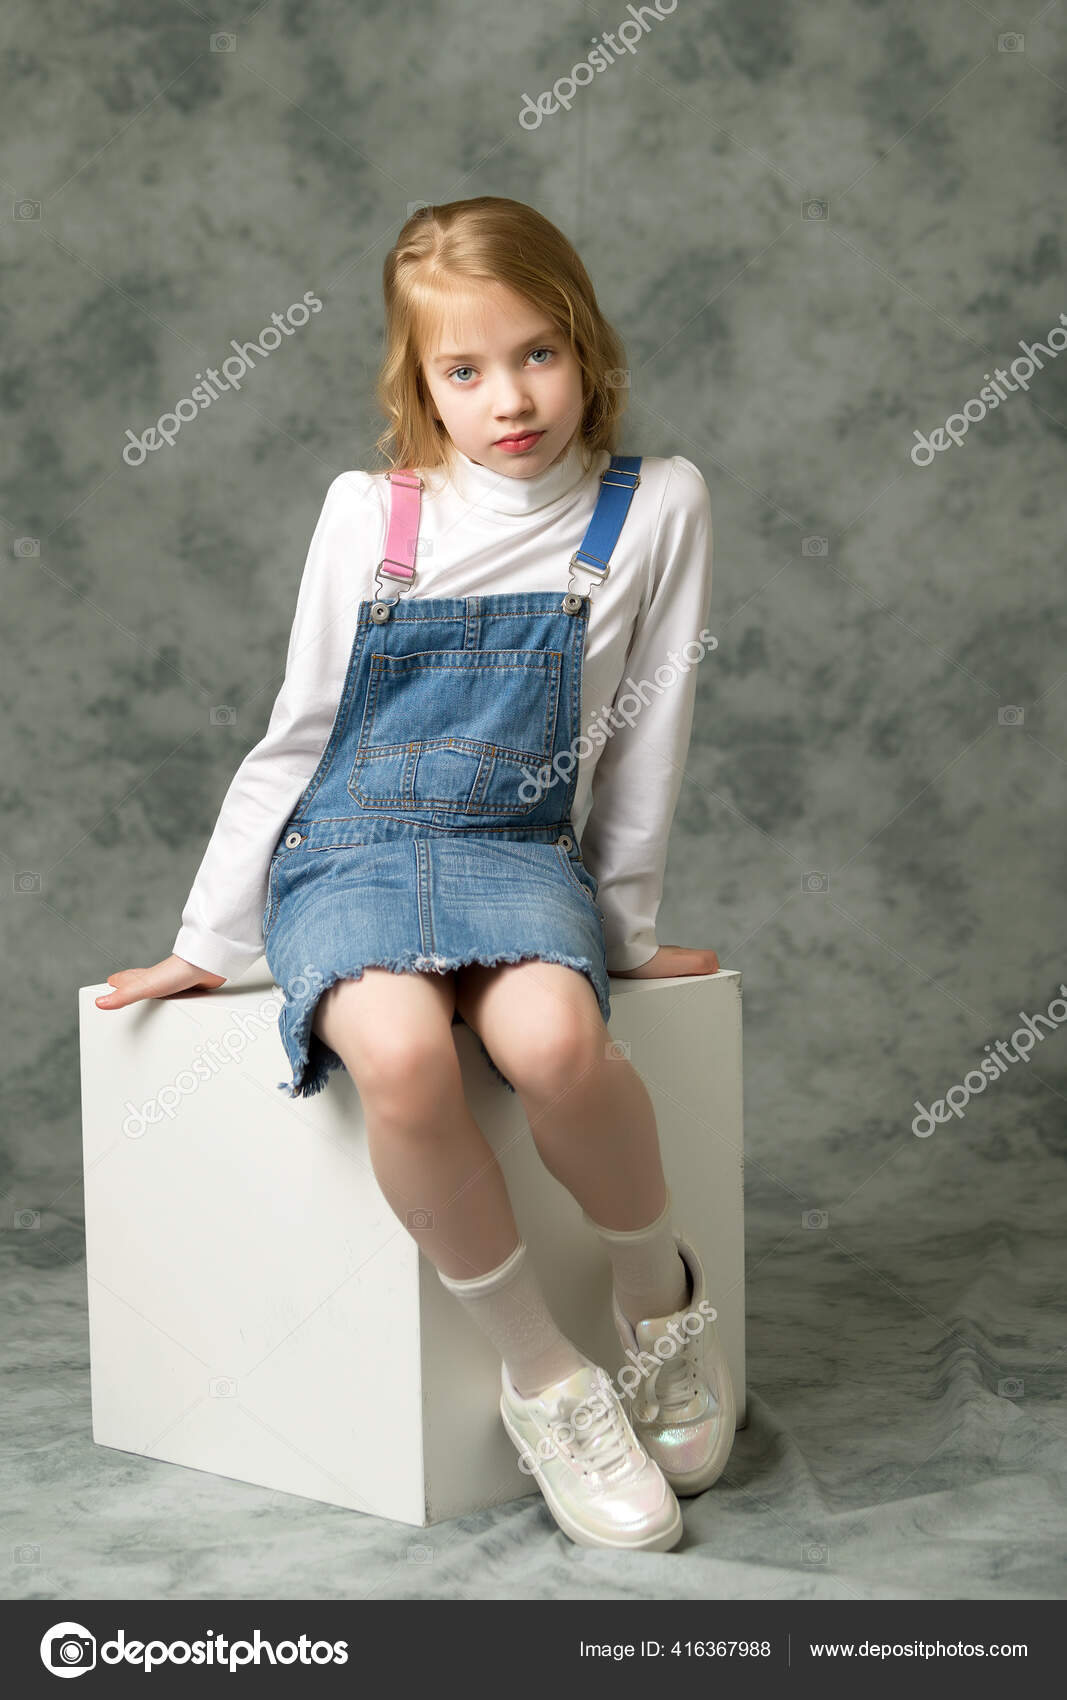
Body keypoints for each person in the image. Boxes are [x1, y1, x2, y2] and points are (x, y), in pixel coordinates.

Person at [96, 196, 734, 1552]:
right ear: (419, 380)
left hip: (514, 851)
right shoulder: (369, 512)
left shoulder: (657, 505)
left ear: (587, 346)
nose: (510, 398)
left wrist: (620, 929)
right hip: (355, 850)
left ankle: (655, 1296)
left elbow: (644, 738)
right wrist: (209, 935)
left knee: (559, 1042)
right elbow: (300, 736)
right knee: (400, 1056)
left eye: (539, 353)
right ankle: (544, 1377)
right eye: (465, 369)